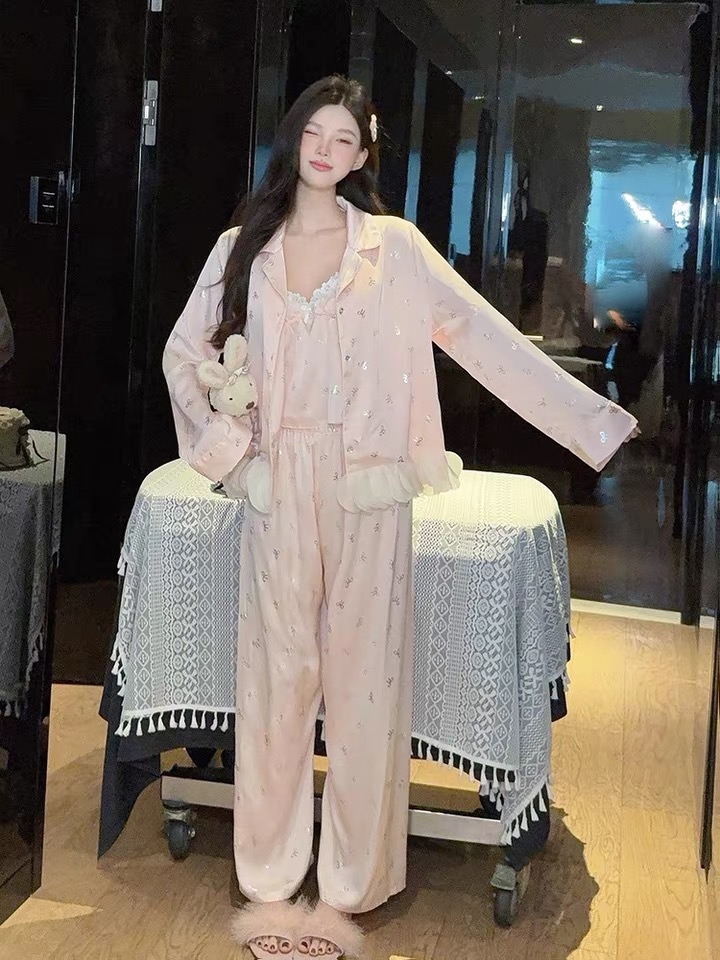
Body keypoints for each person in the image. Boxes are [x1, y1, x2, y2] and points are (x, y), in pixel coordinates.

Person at [163, 75, 637, 959]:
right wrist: (236, 462)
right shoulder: (243, 246)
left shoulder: (394, 248)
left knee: (365, 684)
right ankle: (268, 878)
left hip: (368, 488)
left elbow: (483, 337)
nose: (326, 151)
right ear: (294, 137)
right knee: (275, 680)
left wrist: (592, 425)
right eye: (316, 133)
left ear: (363, 155)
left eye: (345, 140)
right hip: (276, 482)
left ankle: (349, 885)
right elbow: (184, 355)